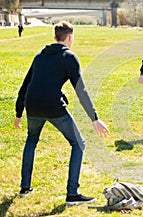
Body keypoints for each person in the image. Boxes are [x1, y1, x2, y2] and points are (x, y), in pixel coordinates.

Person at [14, 21, 109, 205]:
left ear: (54, 37)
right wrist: (94, 118)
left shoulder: (40, 55)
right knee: (78, 143)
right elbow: (81, 90)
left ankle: (25, 187)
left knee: (31, 140)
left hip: (32, 105)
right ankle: (72, 194)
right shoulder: (69, 57)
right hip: (52, 106)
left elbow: (25, 85)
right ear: (70, 37)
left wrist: (19, 112)